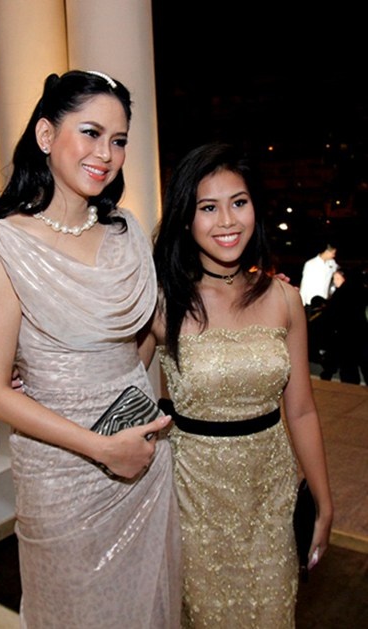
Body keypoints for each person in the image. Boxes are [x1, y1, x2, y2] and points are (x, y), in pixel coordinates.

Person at [0, 70, 181, 628]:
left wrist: (125, 420)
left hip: (141, 460)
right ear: (45, 135)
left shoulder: (127, 230)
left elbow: (134, 347)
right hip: (62, 479)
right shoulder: (2, 246)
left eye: (119, 139)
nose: (106, 154)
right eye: (90, 132)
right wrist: (100, 447)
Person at [138, 142, 333, 628]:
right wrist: (36, 374)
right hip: (195, 500)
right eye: (208, 207)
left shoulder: (284, 298)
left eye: (238, 202)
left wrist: (324, 502)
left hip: (271, 497)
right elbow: (111, 385)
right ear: (186, 218)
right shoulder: (162, 303)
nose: (227, 221)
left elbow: (302, 411)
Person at [319, 267, 368, 384]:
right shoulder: (362, 292)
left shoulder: (341, 293)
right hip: (360, 334)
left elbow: (330, 315)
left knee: (348, 370)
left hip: (344, 335)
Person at [299, 242, 338, 309]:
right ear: (327, 251)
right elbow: (304, 284)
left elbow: (339, 273)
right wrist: (301, 303)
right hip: (311, 301)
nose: (334, 255)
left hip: (324, 300)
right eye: (333, 253)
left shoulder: (332, 263)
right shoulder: (310, 264)